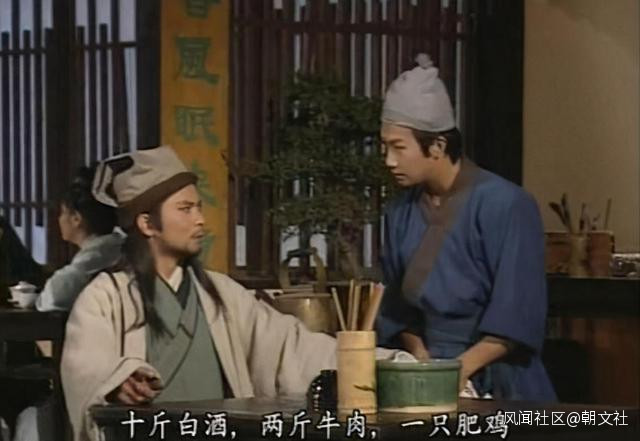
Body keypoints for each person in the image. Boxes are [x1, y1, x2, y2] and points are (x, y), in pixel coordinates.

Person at [61, 146, 350, 441]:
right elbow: (85, 367)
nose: (200, 219)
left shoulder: (221, 292)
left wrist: (365, 359)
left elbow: (289, 345)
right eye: (185, 209)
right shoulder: (105, 298)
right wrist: (118, 380)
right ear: (147, 223)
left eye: (199, 207)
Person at [376, 54, 556, 401]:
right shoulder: (400, 212)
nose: (389, 161)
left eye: (398, 148)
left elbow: (518, 313)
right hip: (427, 374)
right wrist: (421, 360)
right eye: (384, 147)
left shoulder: (507, 205)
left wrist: (457, 371)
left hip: (499, 379)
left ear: (437, 146)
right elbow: (397, 312)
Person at [35, 165, 124, 311]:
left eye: (63, 212)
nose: (59, 219)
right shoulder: (115, 246)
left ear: (76, 219)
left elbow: (55, 296)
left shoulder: (97, 255)